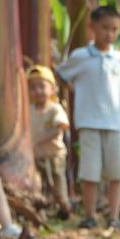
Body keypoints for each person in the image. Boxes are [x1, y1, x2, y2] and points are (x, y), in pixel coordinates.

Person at [55, 5, 120, 229]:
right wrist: (75, 91)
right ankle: (90, 216)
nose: (110, 34)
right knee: (90, 172)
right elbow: (62, 75)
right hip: (88, 122)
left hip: (116, 124)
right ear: (92, 26)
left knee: (117, 172)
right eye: (105, 28)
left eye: (114, 29)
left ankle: (114, 218)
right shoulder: (81, 57)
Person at [29, 69, 73, 215]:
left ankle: (64, 206)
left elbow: (61, 127)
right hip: (36, 156)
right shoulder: (29, 110)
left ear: (53, 89)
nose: (38, 91)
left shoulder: (55, 108)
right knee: (40, 185)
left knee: (57, 182)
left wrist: (39, 140)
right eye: (33, 88)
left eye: (42, 86)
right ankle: (42, 210)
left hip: (55, 155)